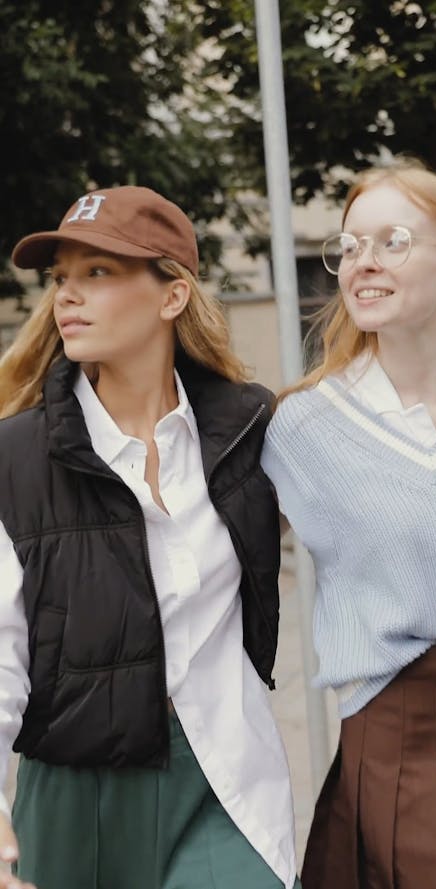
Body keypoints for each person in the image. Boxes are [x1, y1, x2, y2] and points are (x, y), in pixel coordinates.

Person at [0, 185, 301, 889]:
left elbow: (367, 444)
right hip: (76, 789)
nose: (68, 296)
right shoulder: (15, 459)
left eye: (98, 273)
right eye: (62, 277)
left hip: (219, 769)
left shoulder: (249, 428)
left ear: (172, 296)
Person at [260, 159, 436, 889]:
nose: (363, 261)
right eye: (350, 245)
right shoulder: (301, 428)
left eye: (392, 240)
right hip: (401, 725)